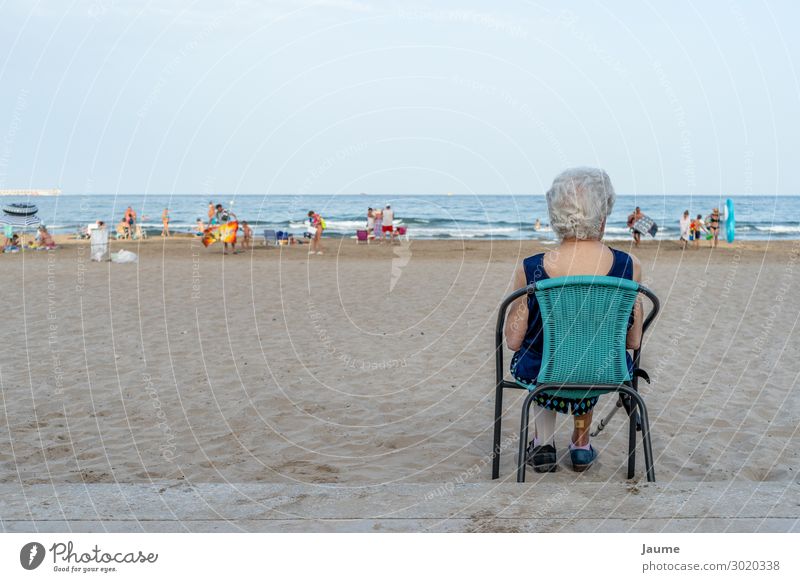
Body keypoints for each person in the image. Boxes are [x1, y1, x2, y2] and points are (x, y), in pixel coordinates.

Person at [504, 167, 643, 473]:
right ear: (603, 217)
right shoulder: (629, 266)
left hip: (546, 372)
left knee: (542, 356)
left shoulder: (532, 268)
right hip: (605, 369)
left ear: (555, 217)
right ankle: (581, 445)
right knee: (589, 352)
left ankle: (542, 445)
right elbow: (633, 341)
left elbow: (513, 340)